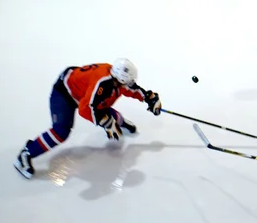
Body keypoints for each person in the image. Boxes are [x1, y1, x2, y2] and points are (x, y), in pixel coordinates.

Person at [13, 58, 162, 179]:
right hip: (65, 94)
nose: (129, 84)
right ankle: (26, 154)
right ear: (118, 78)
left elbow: (131, 88)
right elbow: (85, 109)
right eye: (127, 81)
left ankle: (119, 121)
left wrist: (149, 98)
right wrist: (106, 122)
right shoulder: (102, 84)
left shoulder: (116, 78)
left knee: (108, 113)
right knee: (61, 131)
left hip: (82, 91)